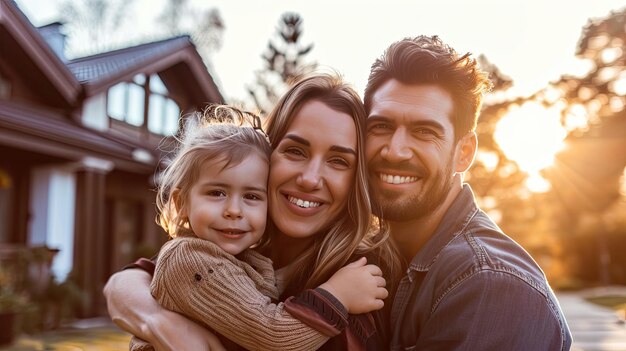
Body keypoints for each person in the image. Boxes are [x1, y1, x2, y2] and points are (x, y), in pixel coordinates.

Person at [103, 73, 402, 350]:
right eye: (295, 151)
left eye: (338, 161)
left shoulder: (364, 277)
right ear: (266, 158)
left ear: (356, 180)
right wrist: (158, 321)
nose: (310, 179)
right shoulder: (230, 250)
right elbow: (137, 278)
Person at [361, 35, 572, 350]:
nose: (395, 151)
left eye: (424, 131)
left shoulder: (491, 285)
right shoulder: (371, 257)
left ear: (464, 152)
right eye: (381, 126)